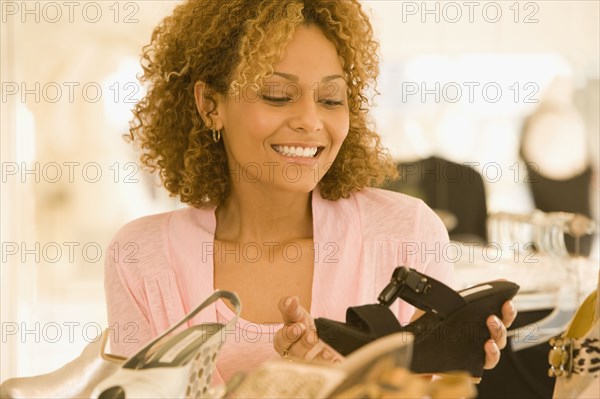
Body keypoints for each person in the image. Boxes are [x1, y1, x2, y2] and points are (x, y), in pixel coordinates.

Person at [105, 0, 516, 385]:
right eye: (277, 95)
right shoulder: (142, 257)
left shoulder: (405, 234)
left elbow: (433, 386)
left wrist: (425, 380)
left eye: (330, 98)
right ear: (211, 103)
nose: (310, 120)